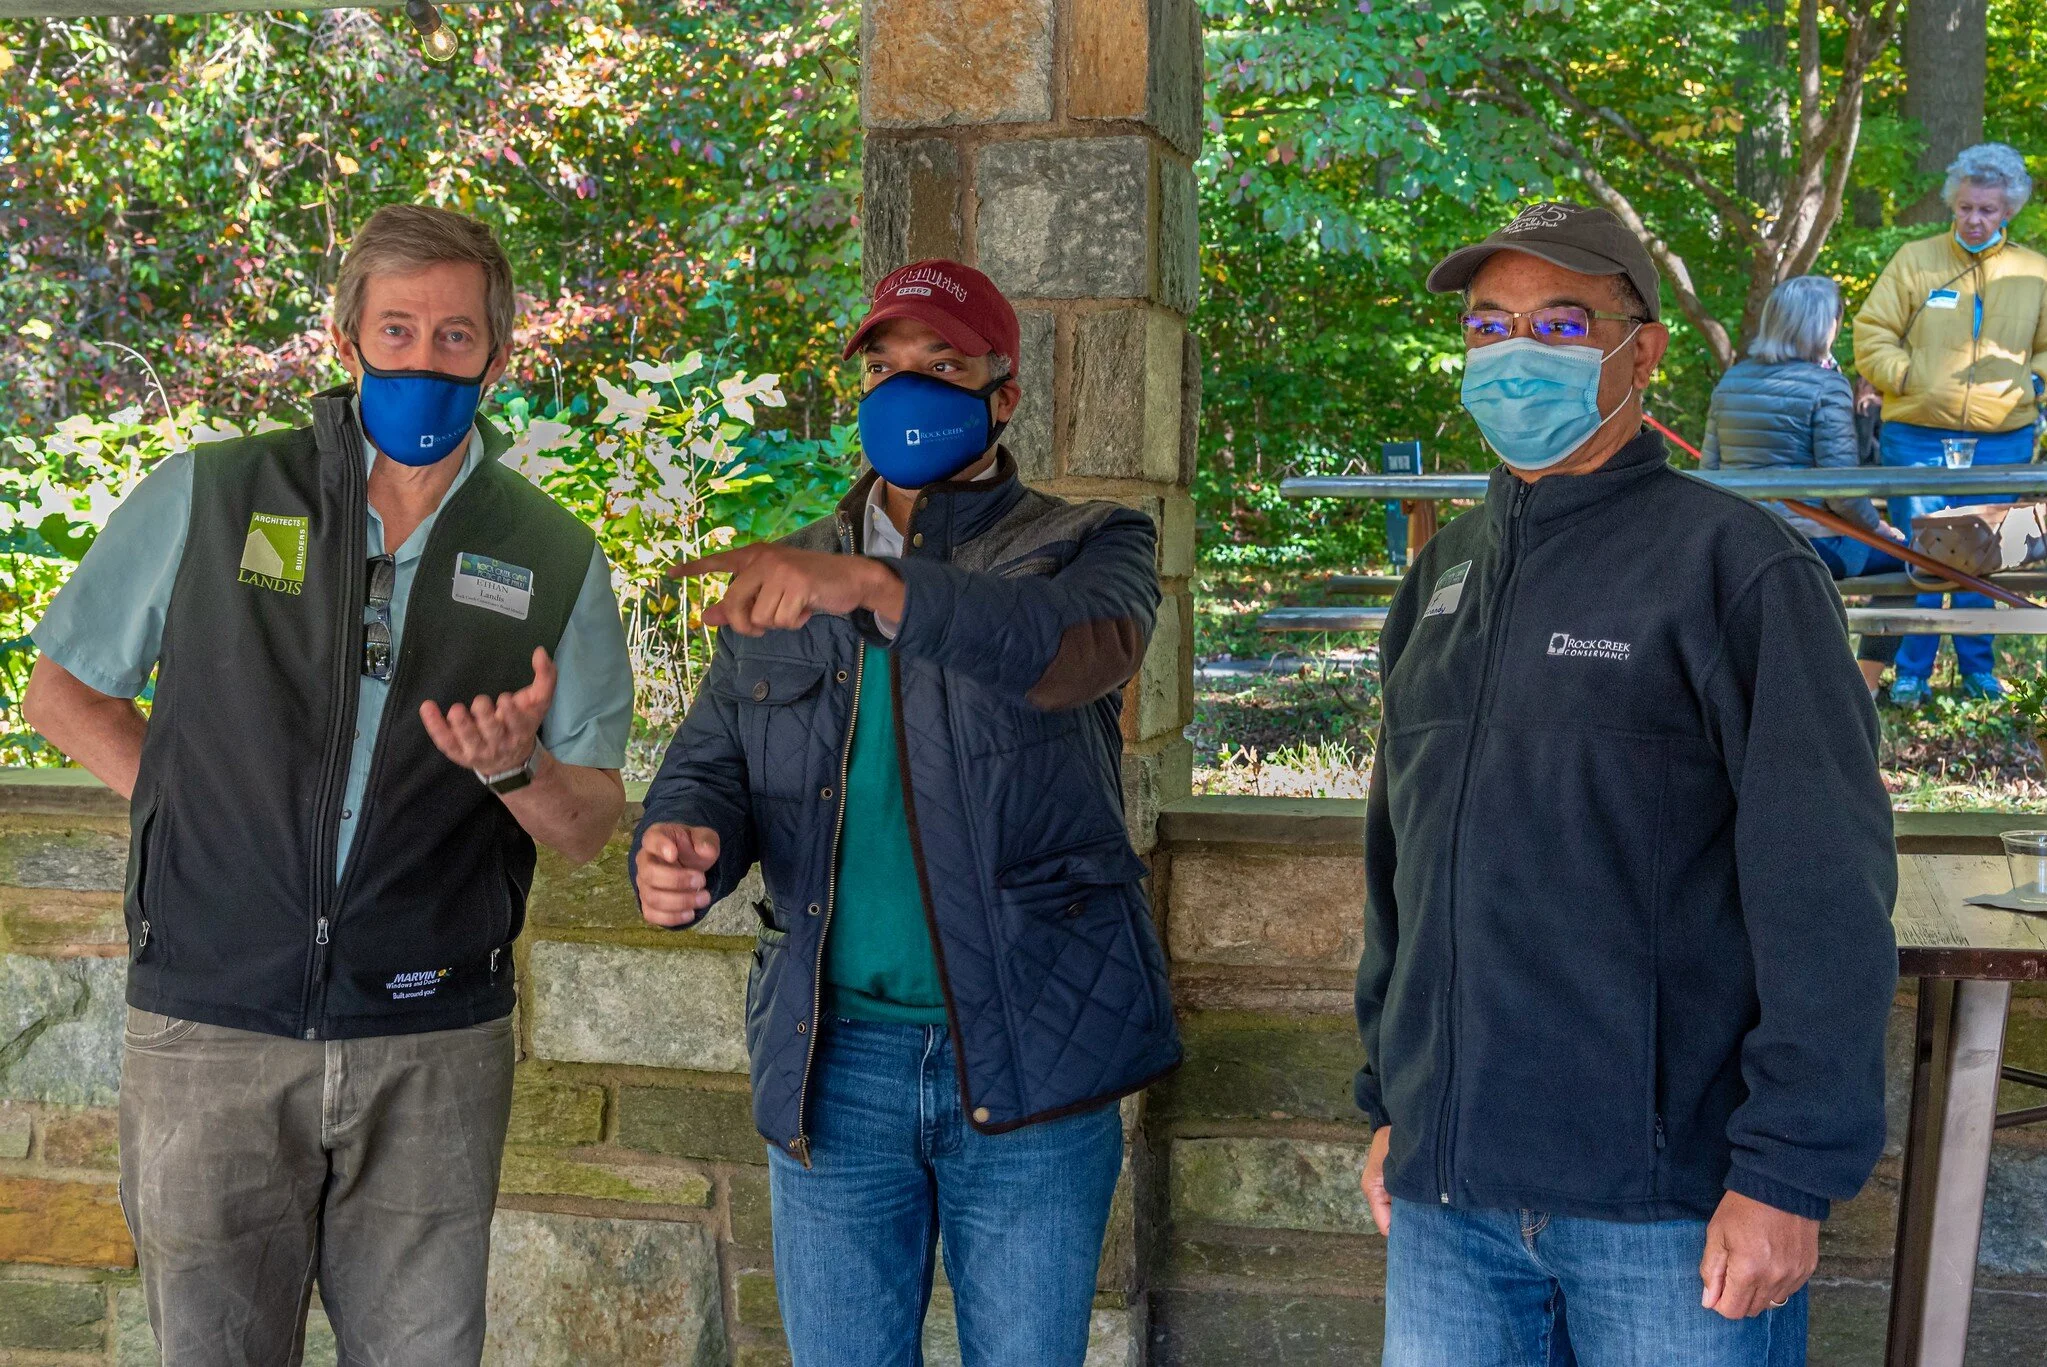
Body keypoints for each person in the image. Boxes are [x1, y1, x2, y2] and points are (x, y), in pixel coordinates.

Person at [21, 204, 634, 1366]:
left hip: (433, 1036)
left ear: (497, 355)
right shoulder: (212, 493)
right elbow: (64, 692)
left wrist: (516, 766)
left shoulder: (555, 557)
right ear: (345, 337)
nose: (422, 359)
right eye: (395, 329)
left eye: (455, 337)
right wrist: (197, 809)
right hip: (211, 1018)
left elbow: (589, 821)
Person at [1356, 202, 1898, 1367]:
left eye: (1558, 322)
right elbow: (1400, 866)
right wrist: (1392, 1099)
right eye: (1489, 323)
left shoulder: (1738, 569)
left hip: (1665, 1211)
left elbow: (1824, 890)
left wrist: (1788, 1172)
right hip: (1451, 1200)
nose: (1515, 351)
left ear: (1639, 352)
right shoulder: (1444, 572)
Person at [632, 259, 1179, 1366]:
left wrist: (882, 590)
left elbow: (1084, 650)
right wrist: (680, 839)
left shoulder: (1087, 541)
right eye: (884, 368)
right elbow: (713, 759)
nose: (907, 390)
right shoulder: (788, 573)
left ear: (1004, 393)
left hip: (1028, 1050)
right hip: (837, 1061)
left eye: (944, 366)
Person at [1852, 141, 2047, 707]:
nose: (1974, 218)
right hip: (1918, 434)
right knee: (1925, 557)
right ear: (1952, 205)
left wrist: (2034, 383)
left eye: (1987, 209)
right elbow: (1871, 333)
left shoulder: (2035, 271)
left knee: (1987, 554)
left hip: (2003, 437)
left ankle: (1978, 672)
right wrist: (1907, 376)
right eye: (1965, 207)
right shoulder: (1915, 259)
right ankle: (1912, 672)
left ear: (2007, 210)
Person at [1701, 273, 1910, 696]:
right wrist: (1879, 531)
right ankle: (1863, 686)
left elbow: (1710, 473)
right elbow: (1840, 489)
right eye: (1836, 318)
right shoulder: (1827, 385)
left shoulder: (1733, 381)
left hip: (1738, 543)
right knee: (1903, 563)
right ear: (1821, 325)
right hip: (1806, 544)